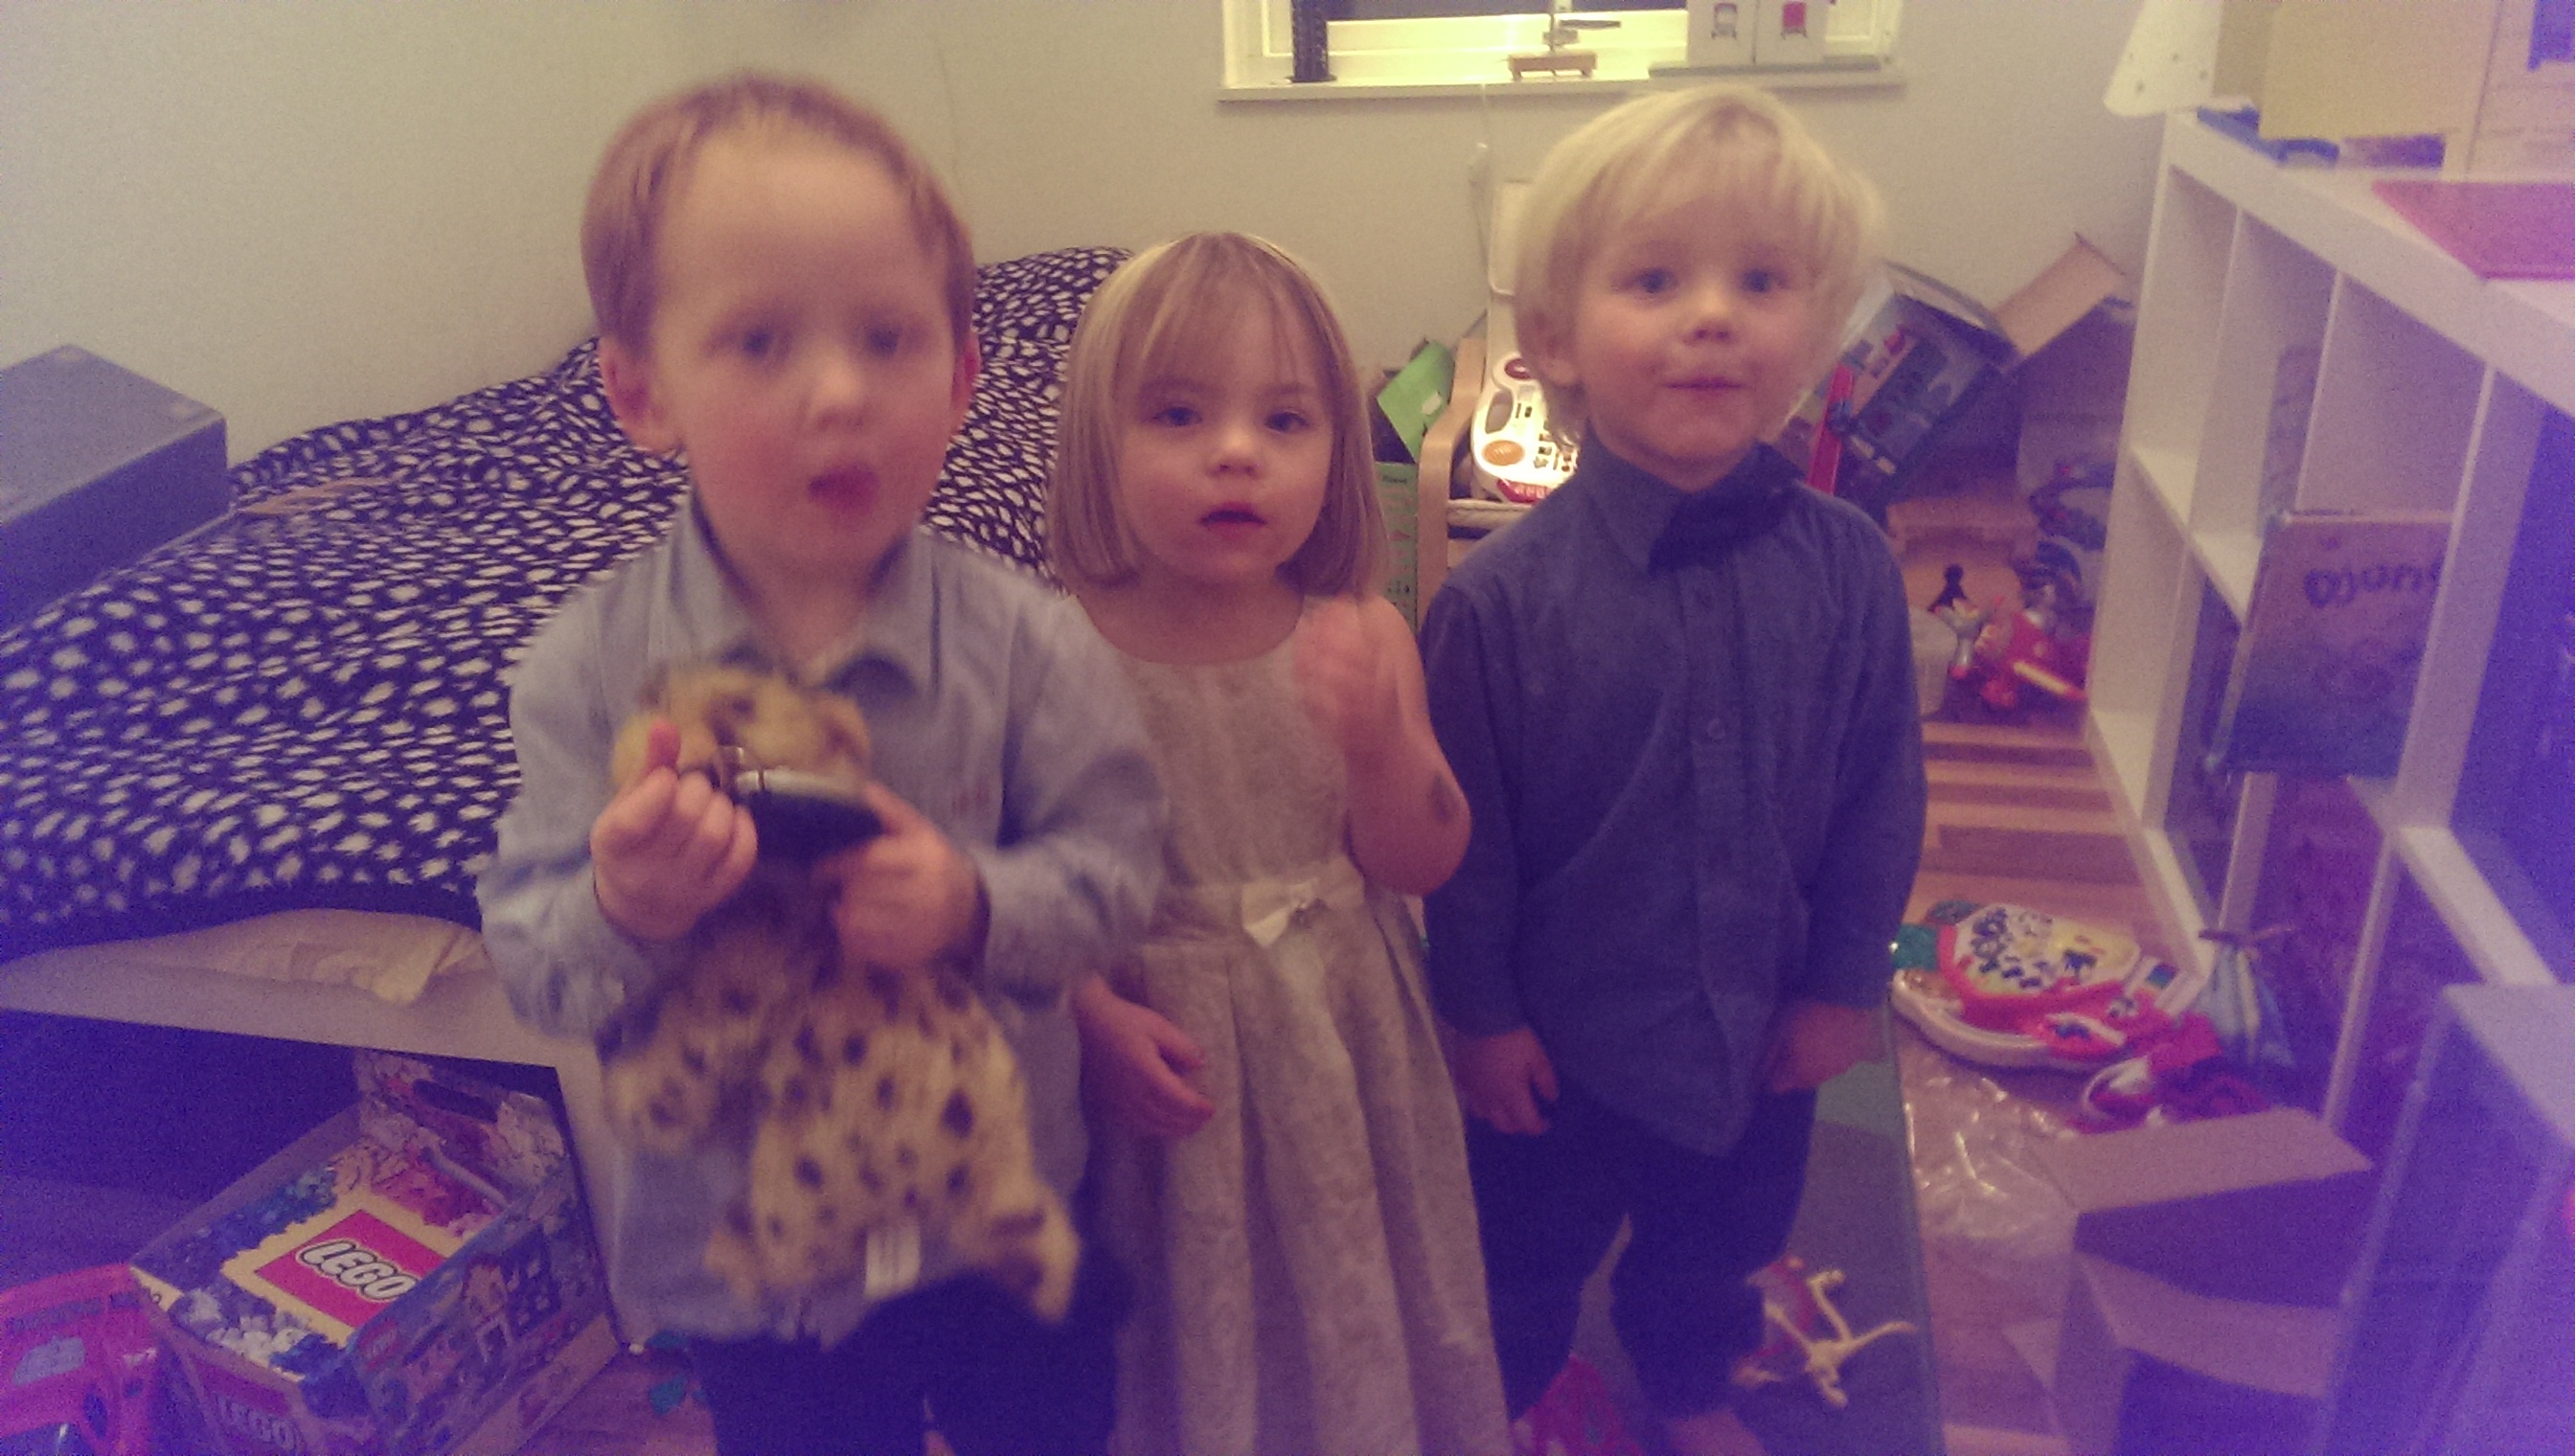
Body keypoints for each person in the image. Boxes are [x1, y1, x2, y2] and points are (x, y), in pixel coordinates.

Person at [476, 74, 1165, 1456]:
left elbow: (1122, 877)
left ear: (962, 378)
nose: (841, 393)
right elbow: (535, 964)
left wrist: (975, 904)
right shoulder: (583, 673)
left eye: (888, 338)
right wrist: (623, 906)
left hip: (999, 1218)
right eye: (761, 340)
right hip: (757, 1265)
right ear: (641, 390)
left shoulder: (1032, 645)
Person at [1417, 84, 1927, 1456]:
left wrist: (1844, 983)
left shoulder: (1853, 570)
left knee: (1717, 1245)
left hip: (1761, 1034)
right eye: (1655, 280)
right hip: (1560, 1044)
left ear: (1816, 333)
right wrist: (1479, 1019)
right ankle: (1505, 1400)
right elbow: (1468, 847)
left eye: (1761, 282)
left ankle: (1688, 1384)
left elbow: (1881, 796)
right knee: (1519, 1261)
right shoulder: (1494, 606)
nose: (1713, 316)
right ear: (1556, 338)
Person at [1051, 232, 1511, 1456]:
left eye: (1286, 419)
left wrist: (1380, 743)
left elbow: (1423, 859)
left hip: (1344, 1032)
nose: (1237, 450)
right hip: (1167, 1047)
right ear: (1098, 441)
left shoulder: (1362, 630)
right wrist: (1090, 1015)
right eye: (1179, 413)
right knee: (1195, 1304)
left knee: (1362, 1274)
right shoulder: (1050, 659)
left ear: (1336, 453)